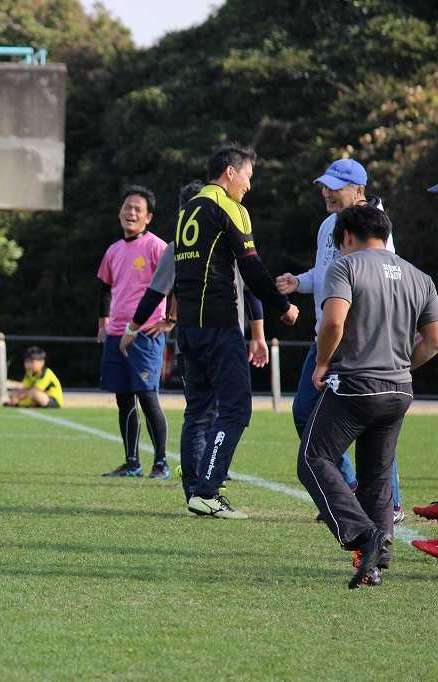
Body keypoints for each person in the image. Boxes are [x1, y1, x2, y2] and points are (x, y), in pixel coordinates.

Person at [296, 203, 438, 588]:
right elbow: (433, 341)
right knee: (377, 477)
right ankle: (376, 562)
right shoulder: (419, 277)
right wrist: (402, 366)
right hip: (400, 388)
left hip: (356, 384)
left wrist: (322, 362)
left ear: (345, 236)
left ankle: (362, 535)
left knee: (313, 458)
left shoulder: (346, 267)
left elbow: (334, 321)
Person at [173, 145, 298, 519]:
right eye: (248, 176)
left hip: (188, 328)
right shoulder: (229, 207)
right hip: (219, 326)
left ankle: (195, 491)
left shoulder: (187, 210)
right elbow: (252, 269)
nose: (249, 185)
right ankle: (208, 491)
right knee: (236, 409)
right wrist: (283, 307)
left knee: (197, 411)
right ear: (230, 171)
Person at [276, 160, 404, 522]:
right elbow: (325, 273)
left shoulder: (377, 226)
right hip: (324, 337)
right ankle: (348, 487)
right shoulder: (327, 226)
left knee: (372, 422)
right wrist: (298, 282)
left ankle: (390, 504)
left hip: (360, 341)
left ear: (359, 191)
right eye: (324, 185)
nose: (327, 192)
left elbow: (385, 278)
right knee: (304, 412)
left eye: (335, 186)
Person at [122, 180, 269, 492]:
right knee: (225, 410)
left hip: (194, 337)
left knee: (201, 412)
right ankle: (209, 478)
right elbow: (253, 286)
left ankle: (200, 481)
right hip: (224, 334)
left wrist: (134, 328)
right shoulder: (227, 240)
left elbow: (156, 292)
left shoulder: (180, 245)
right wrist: (259, 334)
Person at [96, 186, 170, 479]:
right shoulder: (113, 250)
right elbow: (105, 287)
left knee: (147, 396)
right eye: (127, 207)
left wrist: (171, 319)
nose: (131, 213)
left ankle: (161, 463)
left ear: (148, 217)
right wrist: (103, 321)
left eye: (138, 209)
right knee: (124, 398)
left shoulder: (157, 247)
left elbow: (175, 281)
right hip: (116, 333)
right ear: (120, 212)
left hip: (145, 334)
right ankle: (132, 463)